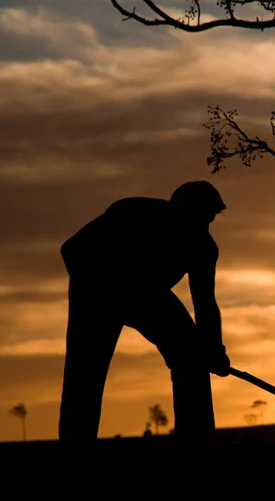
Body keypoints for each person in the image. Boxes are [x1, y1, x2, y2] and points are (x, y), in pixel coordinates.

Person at [58, 180, 230, 450]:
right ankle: (75, 452)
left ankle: (198, 445)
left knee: (193, 357)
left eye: (210, 219)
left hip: (148, 294)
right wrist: (103, 284)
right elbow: (70, 249)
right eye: (200, 216)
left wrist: (214, 350)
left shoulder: (203, 247)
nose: (204, 226)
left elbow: (206, 304)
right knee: (85, 377)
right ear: (180, 209)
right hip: (96, 291)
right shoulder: (132, 212)